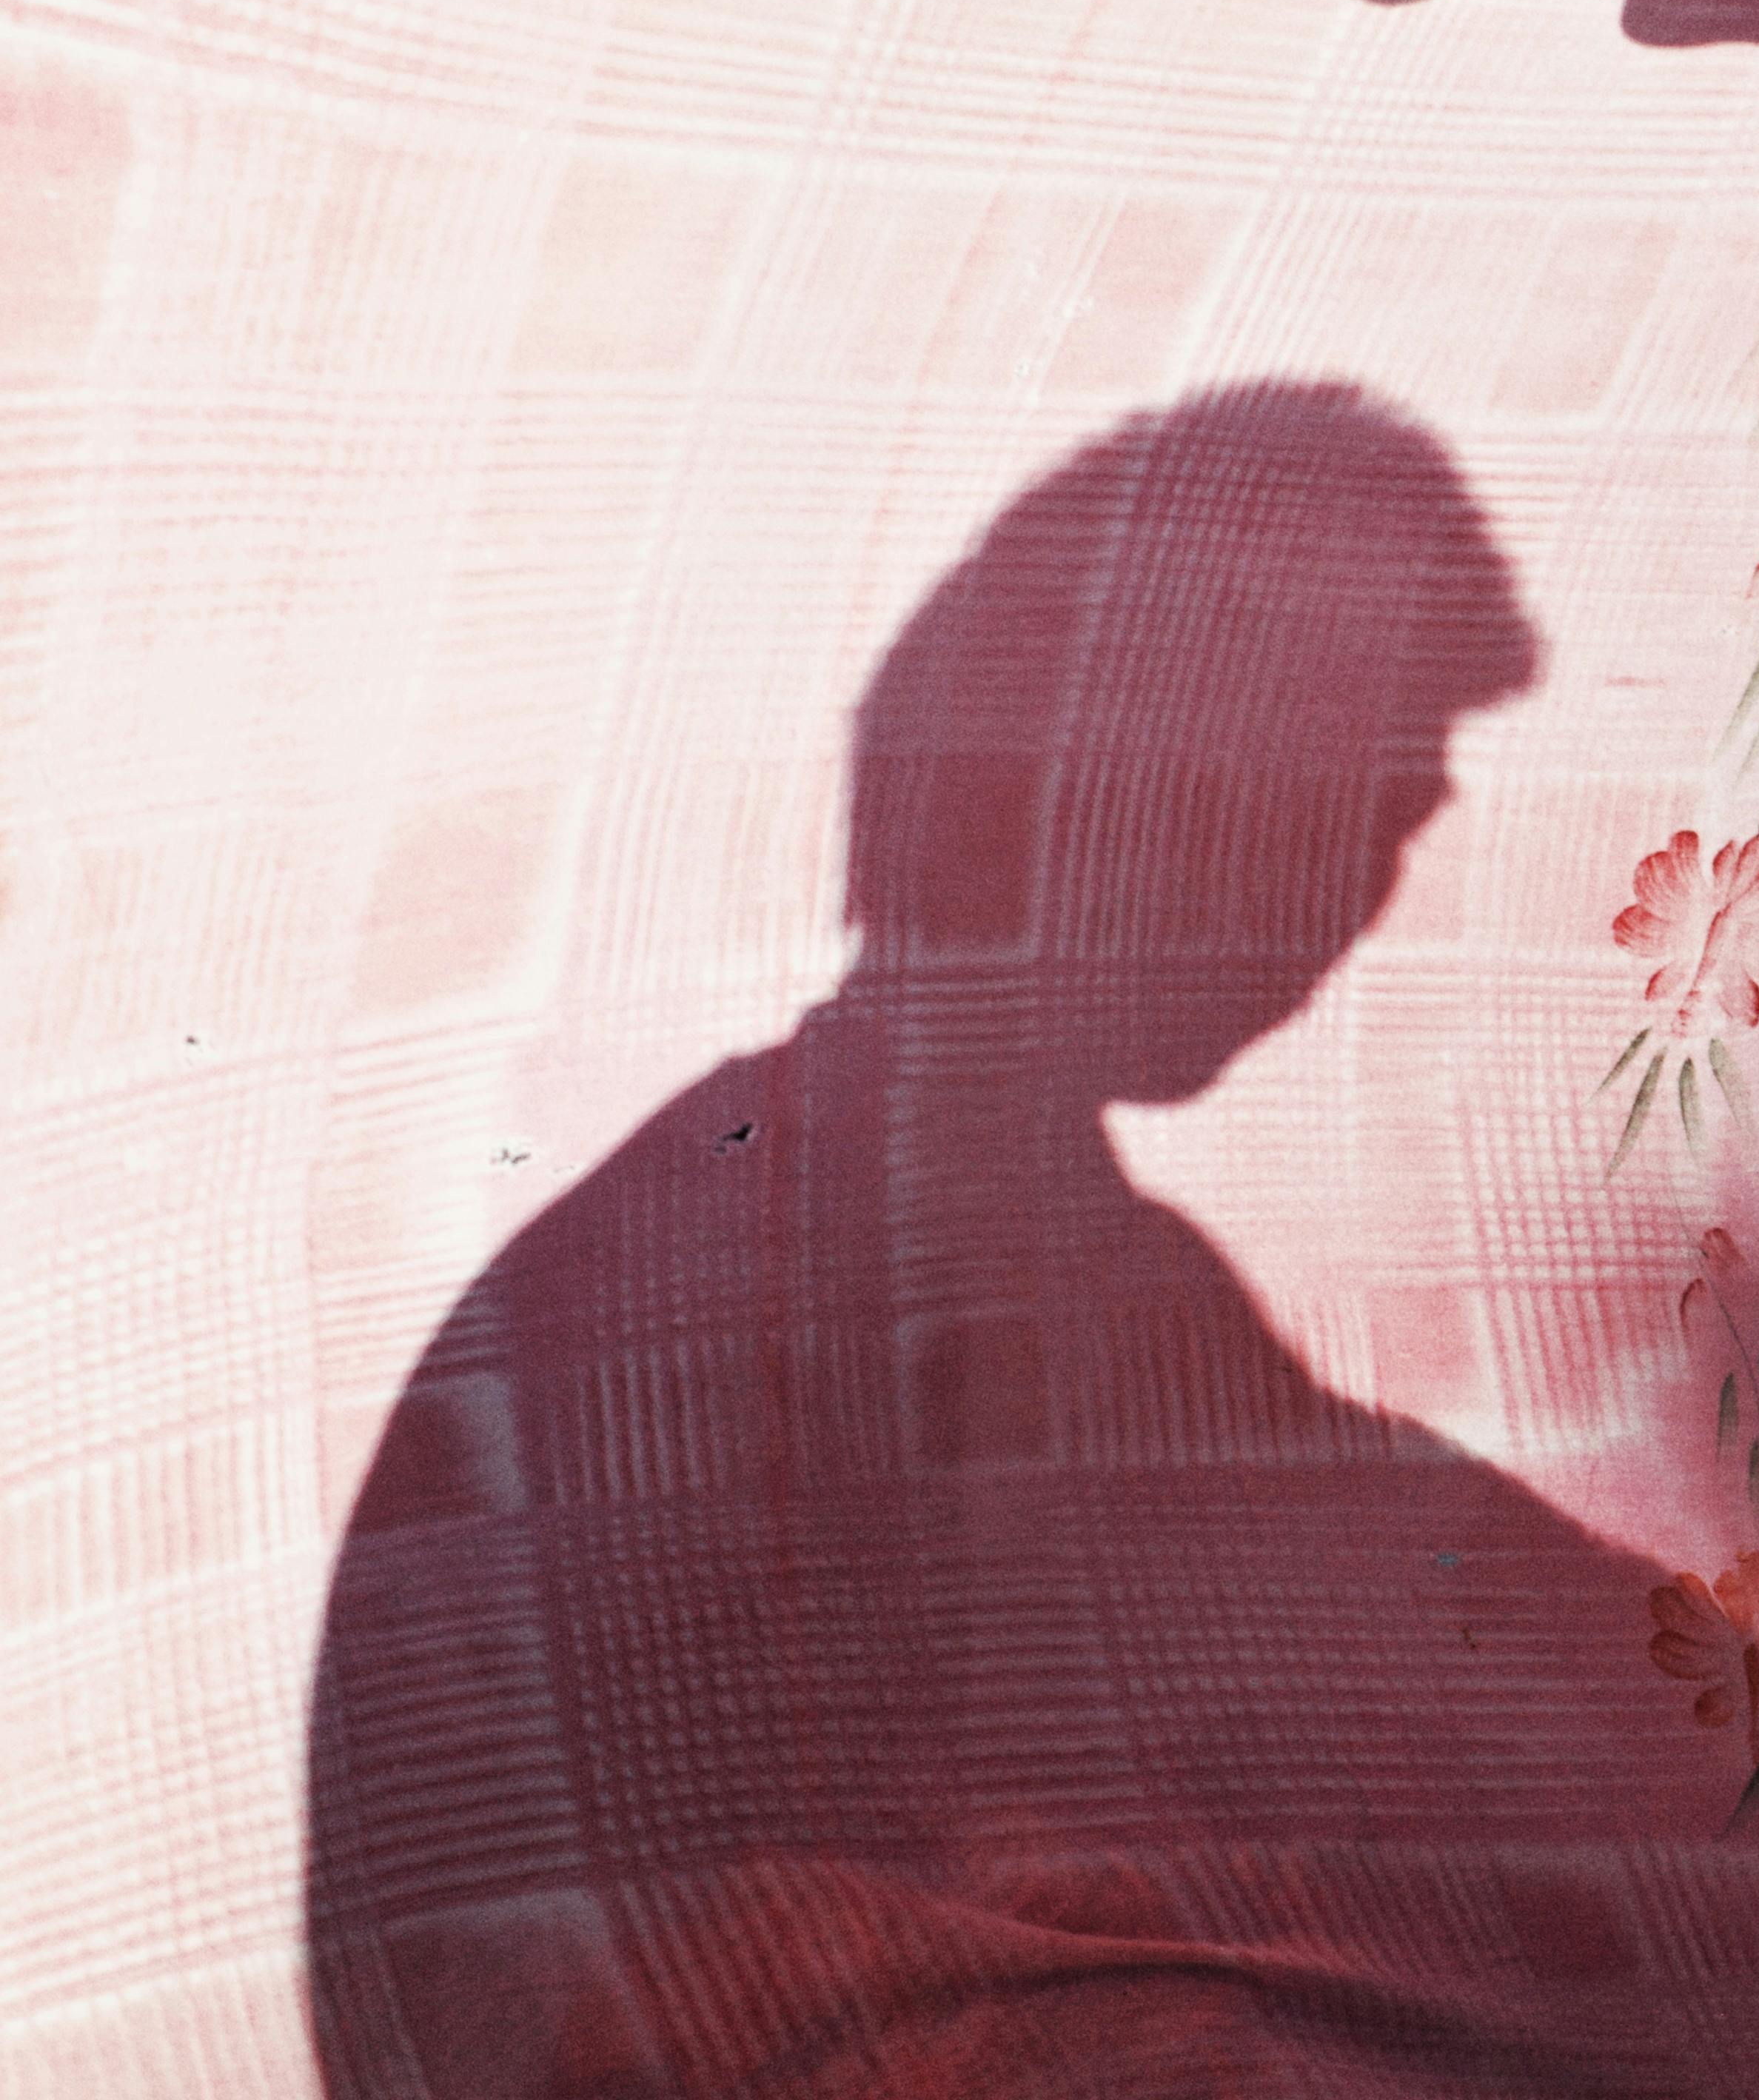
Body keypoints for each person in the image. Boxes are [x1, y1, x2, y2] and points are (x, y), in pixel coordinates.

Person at [304, 384, 1663, 2098]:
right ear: (1088, 777)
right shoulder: (728, 1272)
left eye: (1392, 821)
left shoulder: (1048, 1247)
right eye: (1316, 790)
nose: (1344, 891)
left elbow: (1379, 1553)